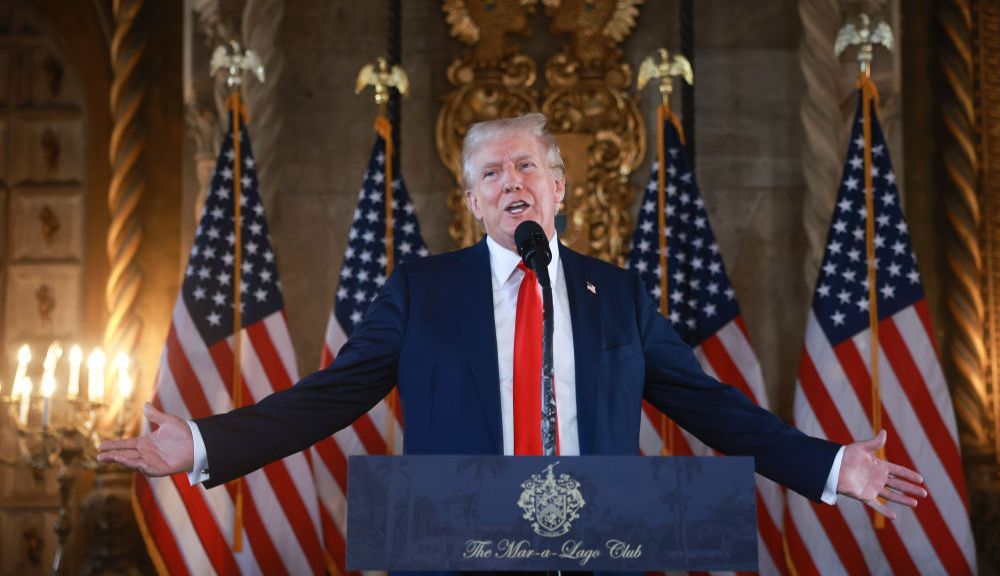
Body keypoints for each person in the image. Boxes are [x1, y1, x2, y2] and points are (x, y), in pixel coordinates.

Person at [98, 113, 926, 520]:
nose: (510, 182)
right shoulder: (422, 292)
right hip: (459, 551)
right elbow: (328, 396)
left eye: (526, 165)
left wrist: (830, 466)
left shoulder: (622, 297)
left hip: (600, 553)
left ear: (559, 188)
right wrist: (203, 442)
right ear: (471, 202)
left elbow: (714, 409)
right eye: (490, 174)